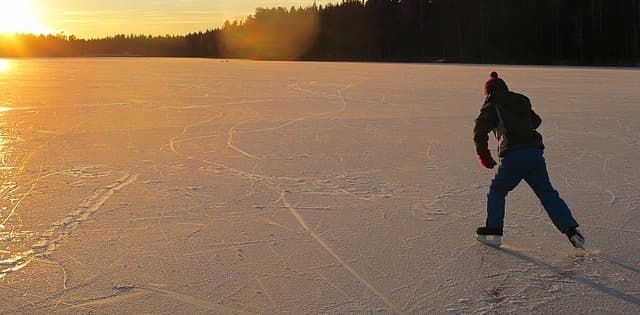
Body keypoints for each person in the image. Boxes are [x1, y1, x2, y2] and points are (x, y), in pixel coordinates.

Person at [473, 71, 584, 248]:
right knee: (547, 193)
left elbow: (480, 130)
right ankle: (571, 230)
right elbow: (536, 121)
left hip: (515, 156)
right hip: (535, 154)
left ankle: (493, 230)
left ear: (489, 92)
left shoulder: (492, 104)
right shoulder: (520, 102)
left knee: (497, 189)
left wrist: (483, 154)